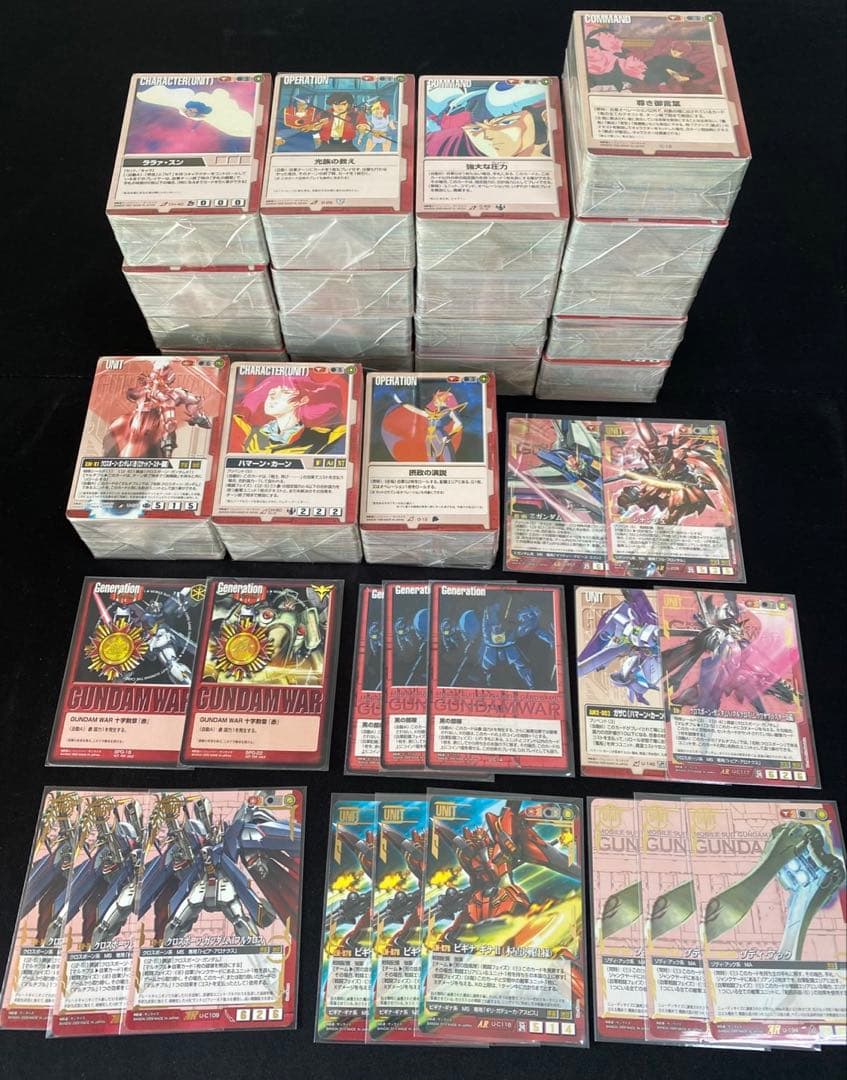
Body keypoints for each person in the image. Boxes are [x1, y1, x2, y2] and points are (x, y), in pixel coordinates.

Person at [231, 374, 347, 454]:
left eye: (285, 392)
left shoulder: (324, 437)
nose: (272, 397)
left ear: (302, 400)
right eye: (271, 392)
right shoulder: (249, 433)